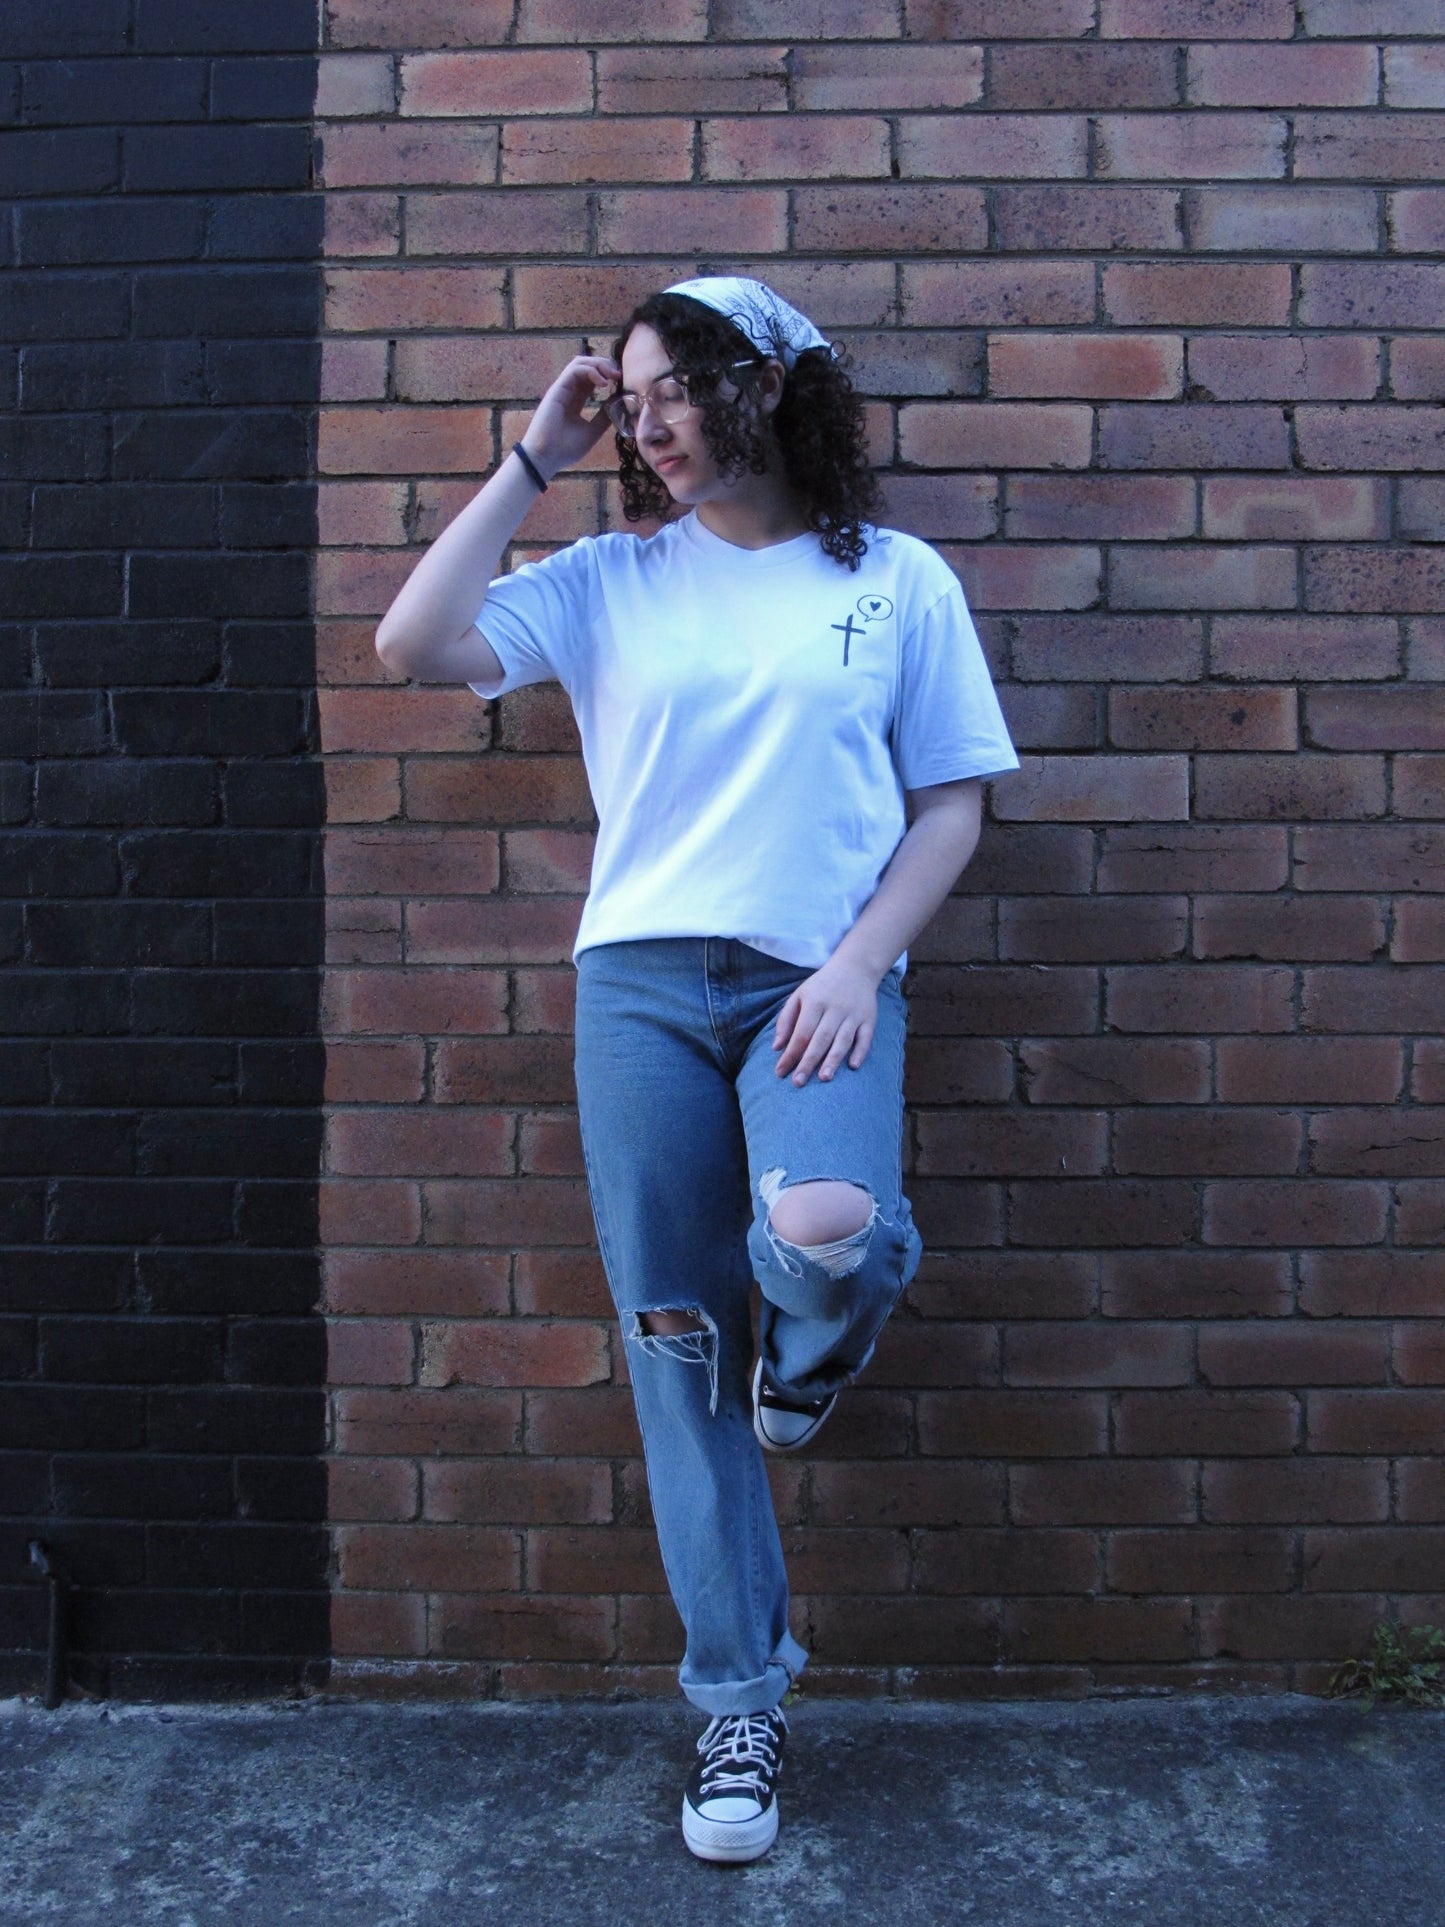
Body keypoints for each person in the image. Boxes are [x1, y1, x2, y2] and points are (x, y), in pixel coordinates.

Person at [374, 276, 1019, 1865]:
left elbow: (950, 803)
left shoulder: (893, 580)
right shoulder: (609, 580)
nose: (649, 425)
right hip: (642, 987)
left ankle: (803, 1365)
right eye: (633, 399)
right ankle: (741, 1702)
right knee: (674, 1345)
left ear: (770, 390)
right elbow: (412, 641)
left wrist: (861, 964)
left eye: (678, 392)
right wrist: (534, 457)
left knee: (823, 1235)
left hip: (818, 975)